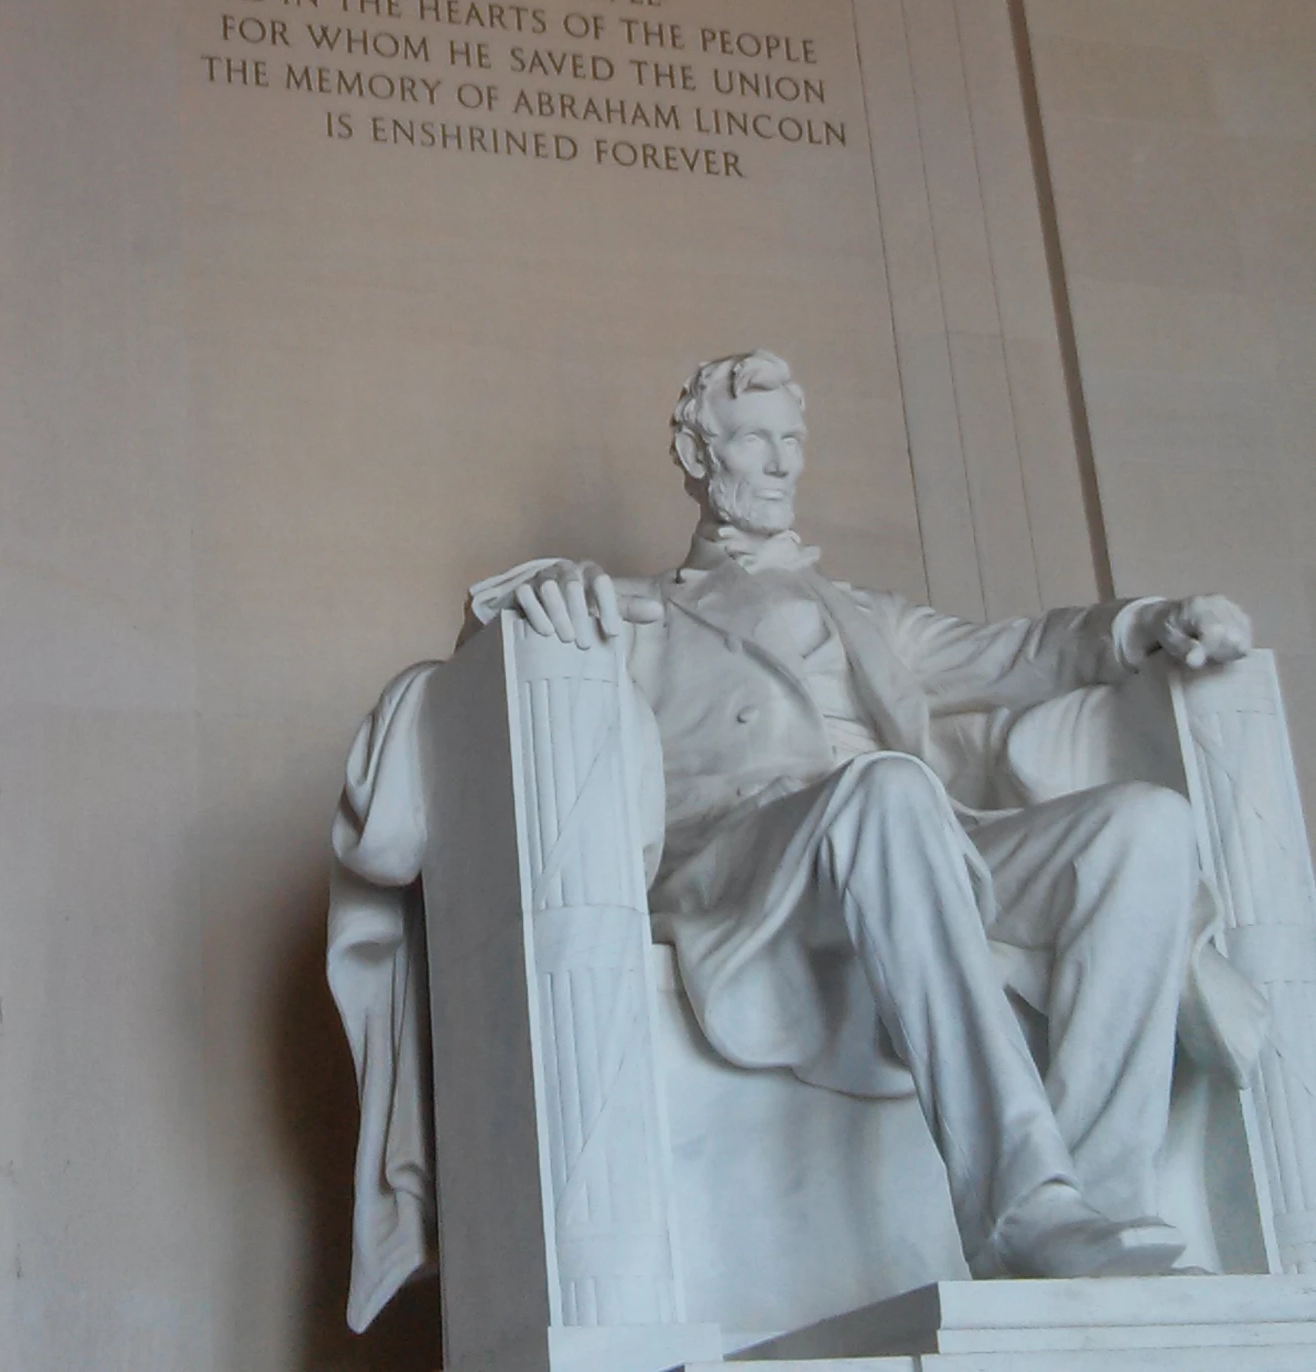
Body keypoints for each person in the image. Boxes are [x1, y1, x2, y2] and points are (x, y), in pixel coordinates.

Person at [499, 348, 1255, 1283]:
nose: (781, 464)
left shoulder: (867, 614)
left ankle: (1101, 1207)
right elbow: (499, 638)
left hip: (917, 843)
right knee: (890, 787)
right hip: (751, 859)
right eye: (754, 442)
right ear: (698, 456)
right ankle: (1020, 1202)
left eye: (792, 441)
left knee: (1145, 827)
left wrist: (1147, 623)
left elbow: (1018, 651)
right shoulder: (640, 608)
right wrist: (547, 590)